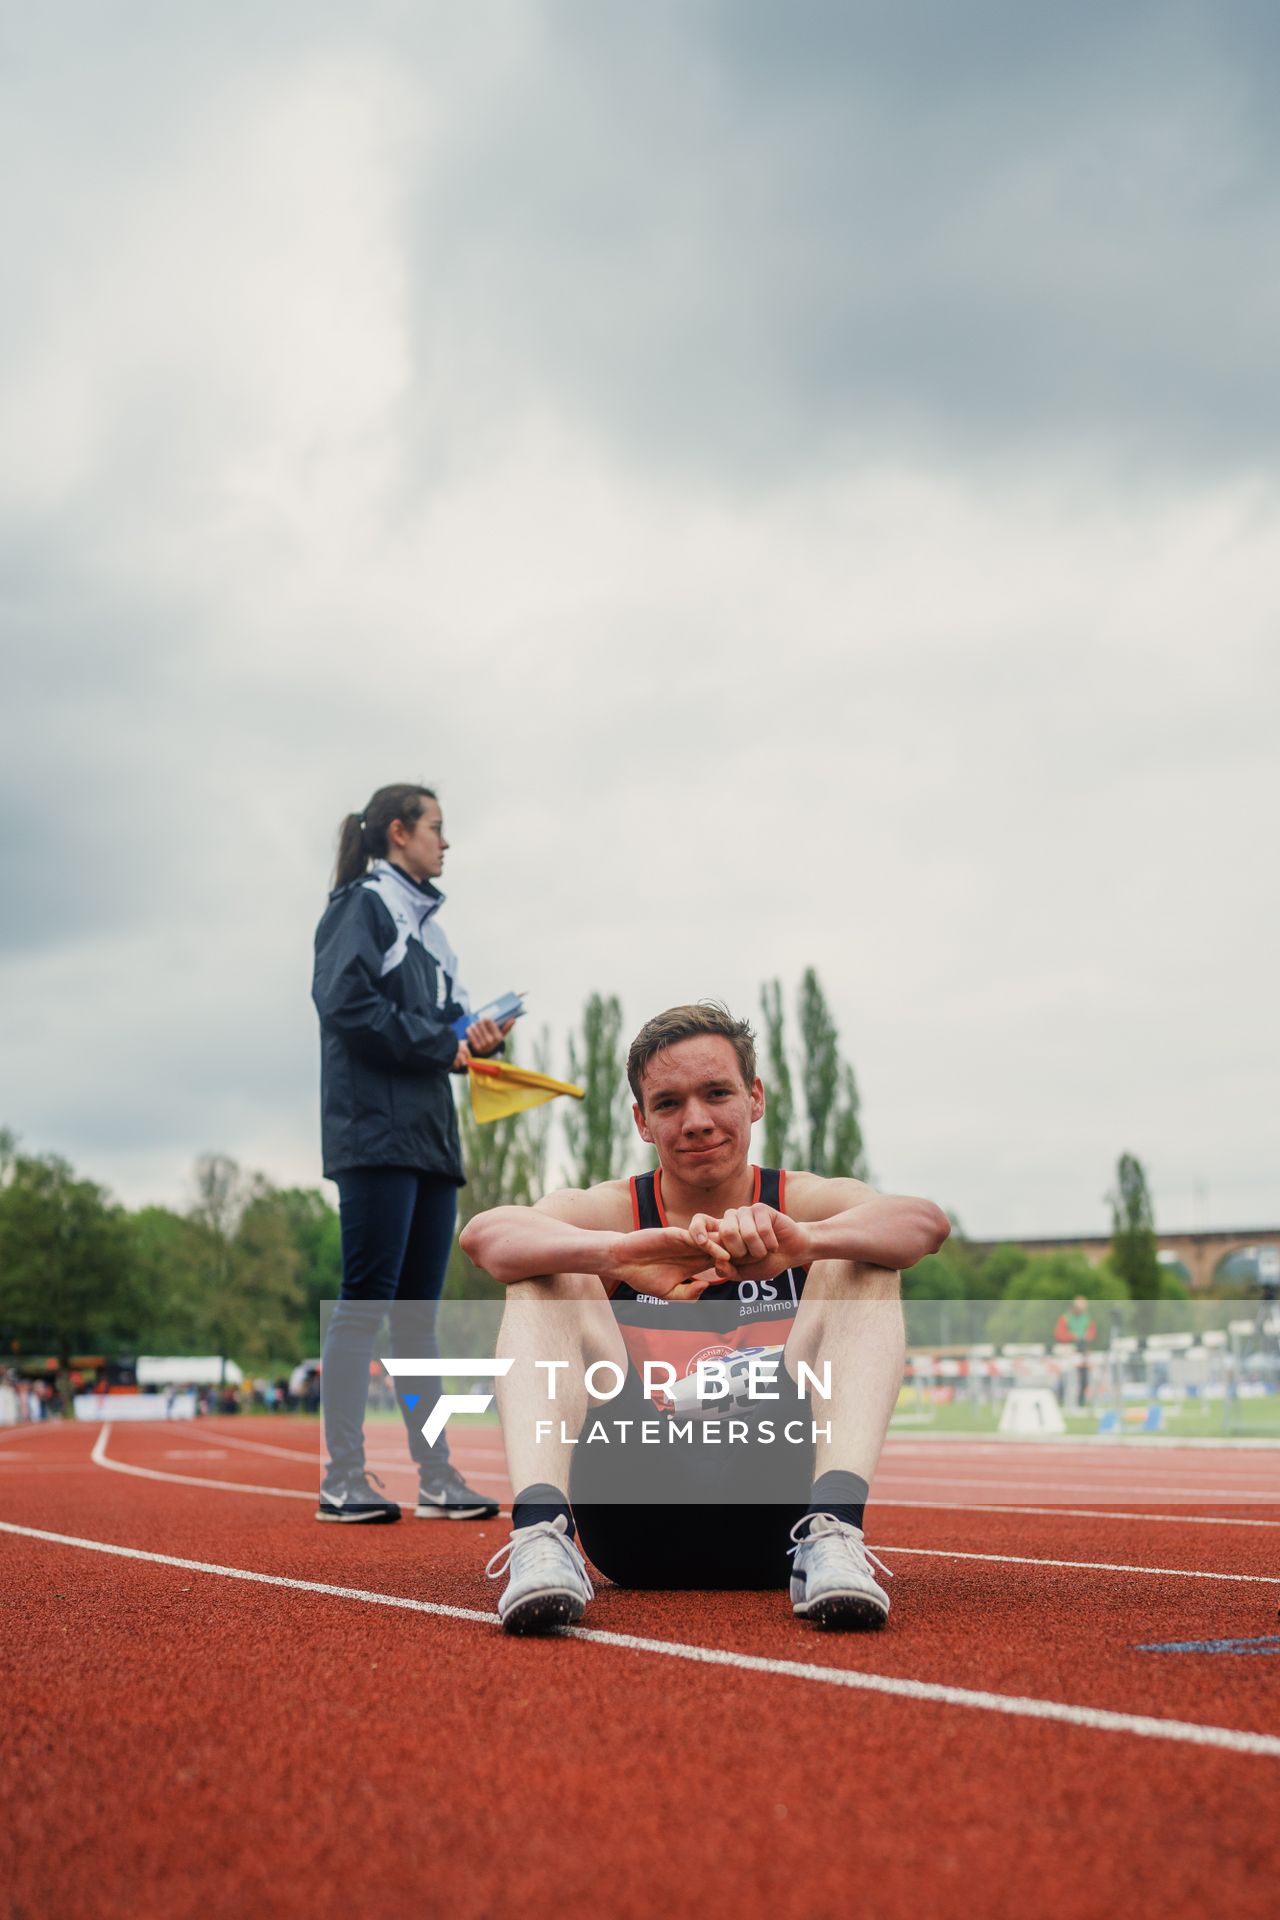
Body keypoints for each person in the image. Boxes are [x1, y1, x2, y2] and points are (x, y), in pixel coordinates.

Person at [461, 1002, 950, 1633]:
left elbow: (924, 1224)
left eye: (717, 1093)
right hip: (636, 1522)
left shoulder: (799, 1200)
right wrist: (617, 1255)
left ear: (755, 1099)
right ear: (642, 1121)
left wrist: (804, 1243)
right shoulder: (615, 1211)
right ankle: (539, 1537)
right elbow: (485, 1238)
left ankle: (836, 1533)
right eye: (668, 1104)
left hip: (783, 1521)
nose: (695, 1122)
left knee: (863, 1259)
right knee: (544, 1270)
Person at [312, 781, 509, 1525]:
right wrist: (443, 1044)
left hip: (428, 1136)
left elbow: (448, 1028)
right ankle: (344, 1476)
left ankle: (436, 1474)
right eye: (437, 827)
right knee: (363, 1305)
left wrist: (480, 1034)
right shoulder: (361, 906)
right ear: (399, 832)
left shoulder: (432, 931)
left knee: (419, 1318)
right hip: (372, 1133)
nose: (446, 841)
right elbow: (345, 1004)